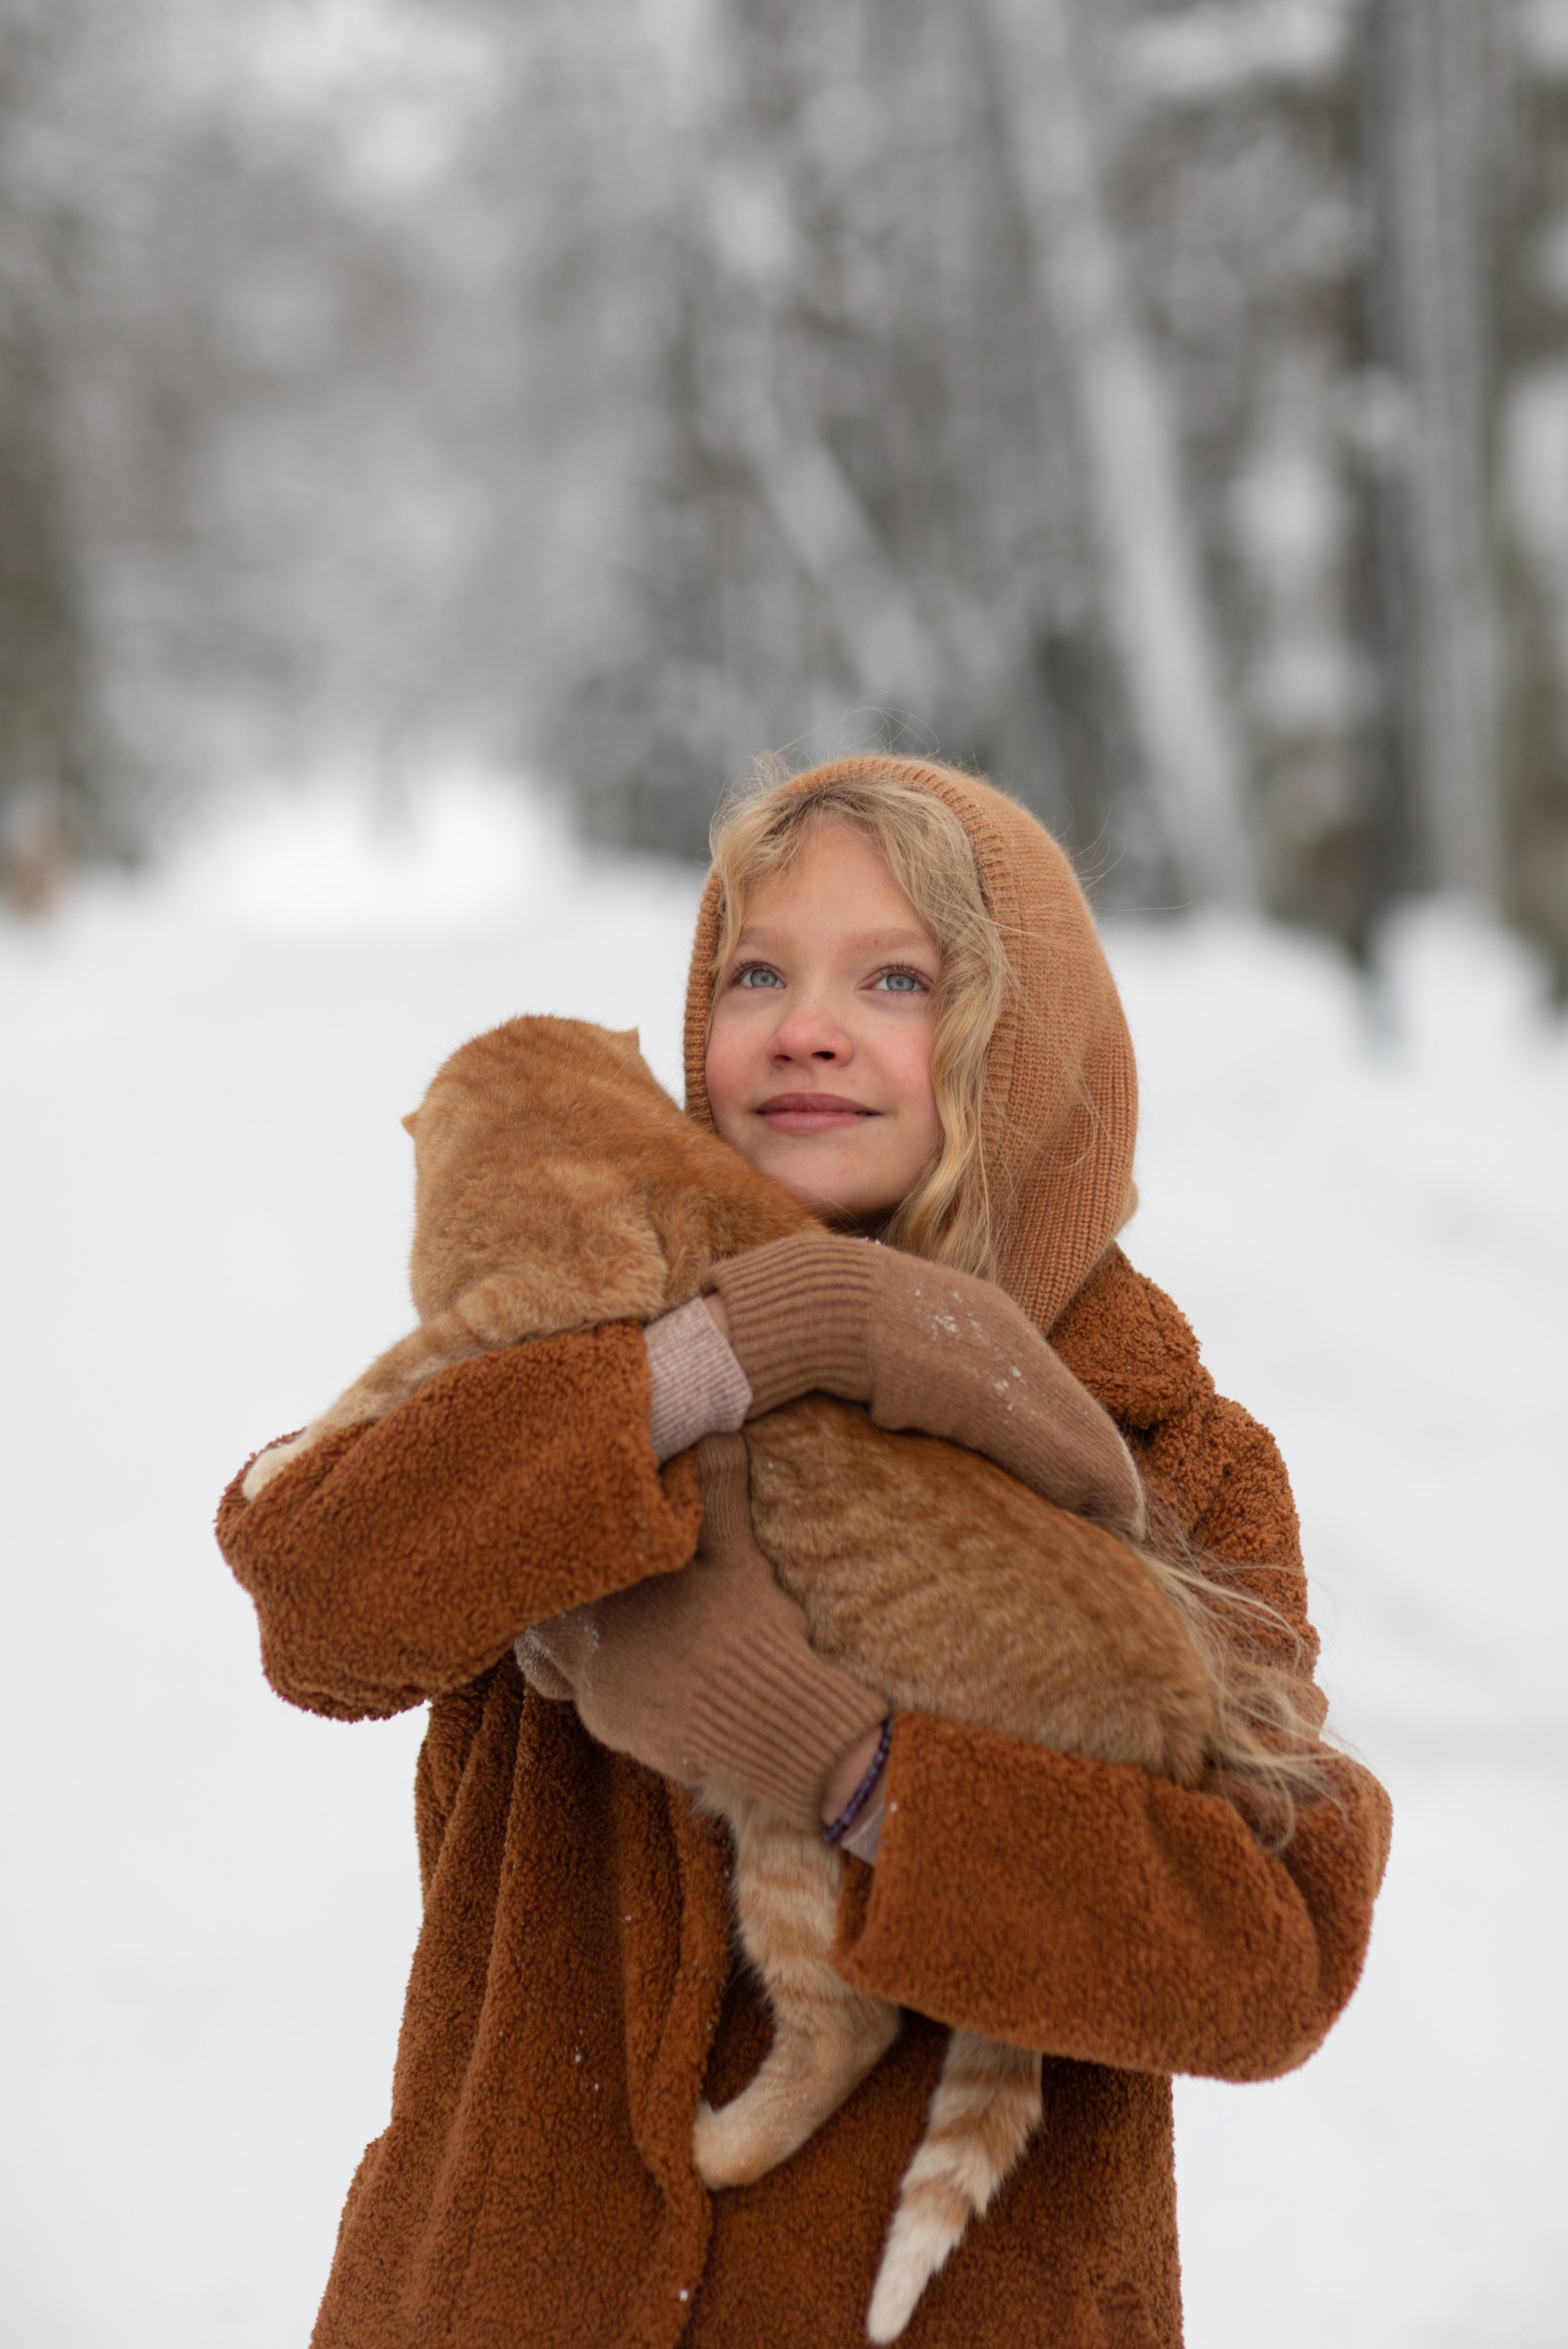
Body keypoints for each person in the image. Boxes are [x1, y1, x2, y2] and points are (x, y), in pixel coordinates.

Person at [217, 756, 1392, 2349]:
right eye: (756, 971)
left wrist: (835, 1757)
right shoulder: (596, 1335)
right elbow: (321, 1597)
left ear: (1022, 1040)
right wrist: (702, 1366)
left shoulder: (1171, 1450)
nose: (806, 1024)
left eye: (895, 978)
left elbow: (1270, 1950)